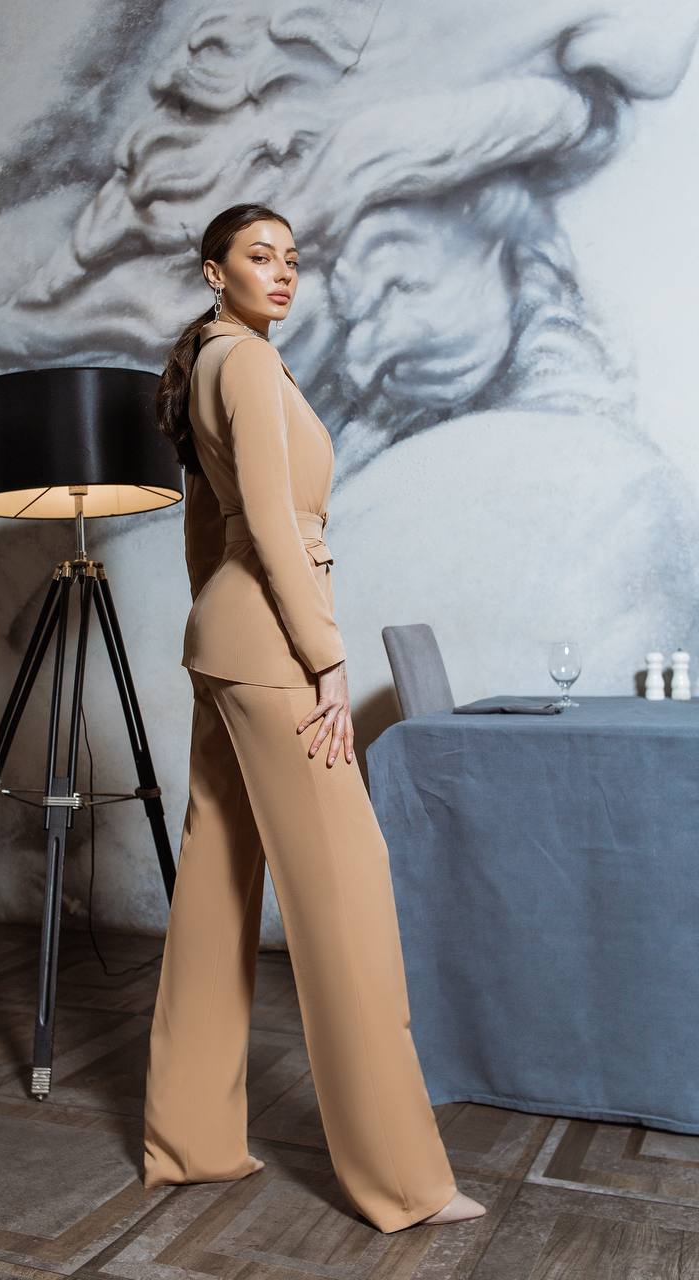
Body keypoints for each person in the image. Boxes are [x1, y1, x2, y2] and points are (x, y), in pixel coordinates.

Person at [143, 202, 486, 1233]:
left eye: (293, 259)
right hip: (277, 651)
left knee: (214, 888)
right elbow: (274, 538)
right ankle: (403, 1180)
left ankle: (192, 1138)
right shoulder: (242, 363)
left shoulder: (212, 363)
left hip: (228, 642)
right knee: (348, 897)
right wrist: (326, 658)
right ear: (215, 271)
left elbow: (210, 530)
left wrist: (219, 631)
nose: (282, 272)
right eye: (260, 255)